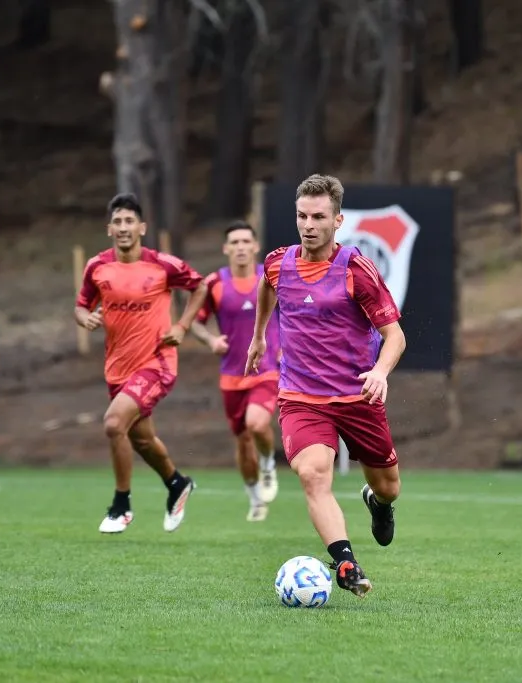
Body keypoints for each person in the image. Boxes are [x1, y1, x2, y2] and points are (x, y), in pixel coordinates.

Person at [245, 174, 406, 598]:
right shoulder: (280, 262)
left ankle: (379, 502)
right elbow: (267, 283)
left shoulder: (356, 269)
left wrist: (380, 372)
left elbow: (395, 336)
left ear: (338, 220)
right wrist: (260, 334)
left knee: (390, 485)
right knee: (314, 475)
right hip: (301, 397)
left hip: (357, 395)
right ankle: (346, 562)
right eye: (302, 215)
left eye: (318, 216)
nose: (308, 224)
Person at [75, 192, 208, 535]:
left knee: (112, 424)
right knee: (143, 441)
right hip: (117, 368)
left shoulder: (162, 264)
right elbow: (81, 304)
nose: (123, 227)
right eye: (117, 221)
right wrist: (84, 318)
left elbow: (200, 286)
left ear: (142, 227)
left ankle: (121, 506)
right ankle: (177, 483)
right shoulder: (97, 266)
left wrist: (182, 326)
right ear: (109, 228)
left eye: (129, 221)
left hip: (157, 363)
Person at [190, 220, 282, 522]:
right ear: (226, 248)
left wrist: (287, 345)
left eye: (246, 241)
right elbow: (194, 321)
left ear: (255, 247)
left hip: (268, 368)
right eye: (235, 242)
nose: (241, 247)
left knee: (257, 424)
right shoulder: (215, 283)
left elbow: (295, 313)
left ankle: (269, 463)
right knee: (242, 441)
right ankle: (255, 497)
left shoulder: (271, 278)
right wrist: (211, 340)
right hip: (231, 375)